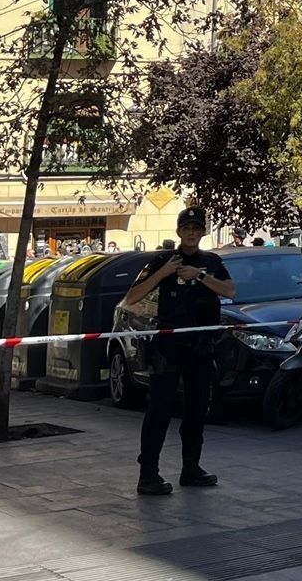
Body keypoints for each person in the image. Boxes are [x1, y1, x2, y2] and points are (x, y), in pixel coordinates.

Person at [122, 207, 234, 496]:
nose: (192, 233)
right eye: (187, 228)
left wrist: (199, 276)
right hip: (168, 347)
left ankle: (191, 468)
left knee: (197, 409)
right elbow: (132, 298)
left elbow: (230, 291)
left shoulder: (211, 261)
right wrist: (164, 273)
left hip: (201, 346)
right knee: (159, 410)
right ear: (179, 231)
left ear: (204, 231)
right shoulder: (162, 260)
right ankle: (148, 474)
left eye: (197, 228)